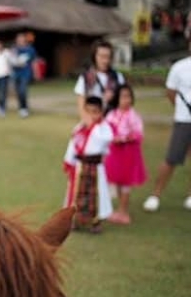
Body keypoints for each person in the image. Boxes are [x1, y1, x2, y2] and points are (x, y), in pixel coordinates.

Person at [143, 42, 191, 212]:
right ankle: (155, 195)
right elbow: (170, 92)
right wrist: (181, 108)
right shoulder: (180, 67)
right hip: (184, 120)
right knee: (172, 158)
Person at [63, 96, 113, 233]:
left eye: (95, 111)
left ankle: (95, 222)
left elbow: (104, 141)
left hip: (95, 167)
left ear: (101, 112)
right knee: (76, 194)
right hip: (80, 166)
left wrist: (92, 126)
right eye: (88, 111)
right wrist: (69, 161)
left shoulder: (103, 128)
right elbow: (73, 144)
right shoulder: (79, 128)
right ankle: (76, 220)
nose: (91, 115)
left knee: (96, 195)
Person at [104, 84, 148, 224]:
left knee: (125, 183)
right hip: (115, 153)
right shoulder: (112, 114)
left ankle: (123, 211)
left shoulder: (133, 116)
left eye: (129, 96)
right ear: (117, 98)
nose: (126, 100)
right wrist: (112, 138)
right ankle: (119, 210)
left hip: (128, 153)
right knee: (116, 180)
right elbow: (107, 130)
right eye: (123, 96)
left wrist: (125, 138)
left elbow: (138, 133)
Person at [74, 39, 124, 118]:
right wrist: (91, 125)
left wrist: (114, 97)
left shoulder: (118, 77)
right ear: (94, 56)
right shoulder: (85, 77)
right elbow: (81, 107)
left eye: (108, 56)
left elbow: (124, 102)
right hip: (93, 120)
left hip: (114, 121)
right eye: (101, 56)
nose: (105, 60)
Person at [10, 32, 37, 117]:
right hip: (16, 74)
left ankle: (24, 108)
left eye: (21, 39)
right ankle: (21, 107)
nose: (20, 41)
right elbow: (11, 60)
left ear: (24, 40)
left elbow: (34, 62)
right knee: (18, 92)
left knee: (22, 91)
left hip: (25, 73)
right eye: (18, 39)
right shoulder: (14, 49)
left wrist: (36, 73)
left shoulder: (30, 49)